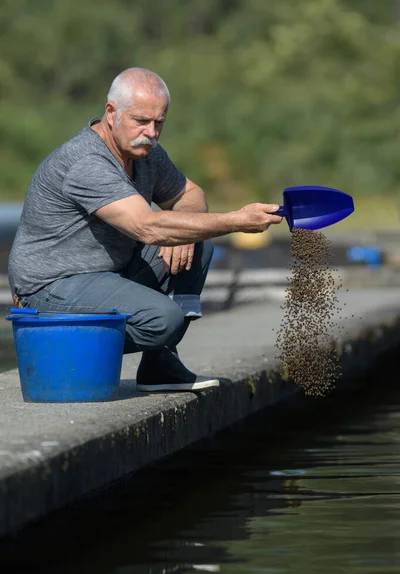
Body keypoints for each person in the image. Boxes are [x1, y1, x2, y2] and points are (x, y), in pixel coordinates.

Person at [8, 67, 282, 392]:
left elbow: (189, 195)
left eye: (159, 123)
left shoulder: (145, 151)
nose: (151, 132)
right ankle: (71, 348)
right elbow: (146, 226)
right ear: (111, 113)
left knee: (198, 244)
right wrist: (237, 221)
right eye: (141, 121)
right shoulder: (86, 163)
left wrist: (184, 232)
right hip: (50, 286)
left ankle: (160, 367)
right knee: (164, 320)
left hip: (106, 271)